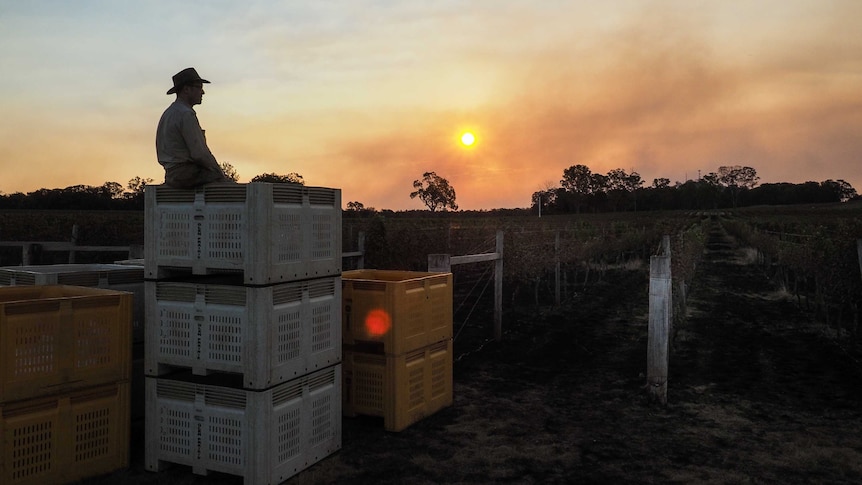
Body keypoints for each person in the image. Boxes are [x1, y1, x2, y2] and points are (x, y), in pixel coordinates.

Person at [156, 67, 231, 188]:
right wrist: (219, 173)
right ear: (186, 89)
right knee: (227, 186)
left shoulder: (168, 113)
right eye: (199, 87)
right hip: (186, 174)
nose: (203, 92)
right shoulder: (186, 114)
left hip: (171, 175)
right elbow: (199, 154)